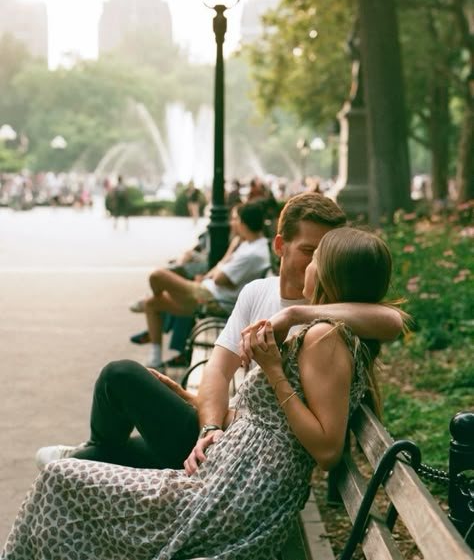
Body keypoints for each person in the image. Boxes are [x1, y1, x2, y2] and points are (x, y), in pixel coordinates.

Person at [2, 227, 403, 560]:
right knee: (65, 479)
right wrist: (198, 404)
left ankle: (78, 462)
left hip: (232, 500)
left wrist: (275, 372)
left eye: (317, 258)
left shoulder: (324, 339)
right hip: (223, 482)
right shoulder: (326, 330)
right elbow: (274, 423)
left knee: (60, 480)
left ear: (331, 273)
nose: (309, 264)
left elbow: (327, 450)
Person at [34, 192, 402, 472]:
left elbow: (394, 322)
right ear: (280, 246)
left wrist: (294, 314)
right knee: (106, 438)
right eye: (310, 250)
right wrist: (209, 422)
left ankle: (86, 453)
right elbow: (218, 368)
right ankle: (88, 453)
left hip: (248, 457)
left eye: (325, 252)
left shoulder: (332, 327)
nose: (317, 262)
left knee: (119, 377)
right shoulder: (259, 292)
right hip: (226, 434)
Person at [130, 201, 271, 369]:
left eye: (234, 219)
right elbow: (217, 273)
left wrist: (220, 266)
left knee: (157, 275)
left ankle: (153, 296)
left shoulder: (252, 253)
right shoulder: (249, 245)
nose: (232, 223)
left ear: (243, 222)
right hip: (209, 292)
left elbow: (218, 278)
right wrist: (231, 250)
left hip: (212, 300)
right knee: (151, 304)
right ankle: (155, 360)